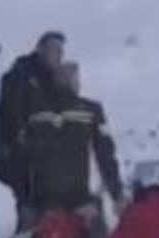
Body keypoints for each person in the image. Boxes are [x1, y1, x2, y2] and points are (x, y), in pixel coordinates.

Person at [23, 62, 124, 221]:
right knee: (94, 229)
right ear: (72, 82)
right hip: (79, 200)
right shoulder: (91, 110)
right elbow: (105, 154)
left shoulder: (34, 112)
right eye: (76, 79)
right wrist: (117, 195)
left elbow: (22, 155)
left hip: (43, 202)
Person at [0, 31, 65, 229]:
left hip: (40, 160)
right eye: (54, 49)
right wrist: (21, 140)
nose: (58, 55)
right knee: (30, 209)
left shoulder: (49, 80)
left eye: (60, 51)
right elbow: (12, 114)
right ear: (40, 49)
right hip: (22, 157)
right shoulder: (22, 75)